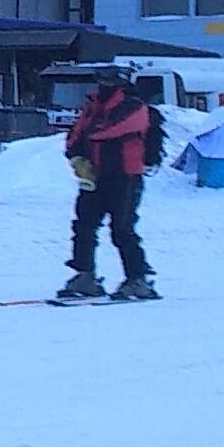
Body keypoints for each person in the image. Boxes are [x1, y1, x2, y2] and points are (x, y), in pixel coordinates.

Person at [56, 70, 160, 301]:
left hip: (125, 176)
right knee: (83, 226)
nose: (103, 86)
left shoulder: (134, 105)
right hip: (94, 175)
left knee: (122, 229)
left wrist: (86, 140)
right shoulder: (93, 105)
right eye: (101, 81)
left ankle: (138, 279)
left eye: (108, 81)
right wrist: (75, 156)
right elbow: (76, 134)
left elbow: (108, 130)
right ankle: (85, 275)